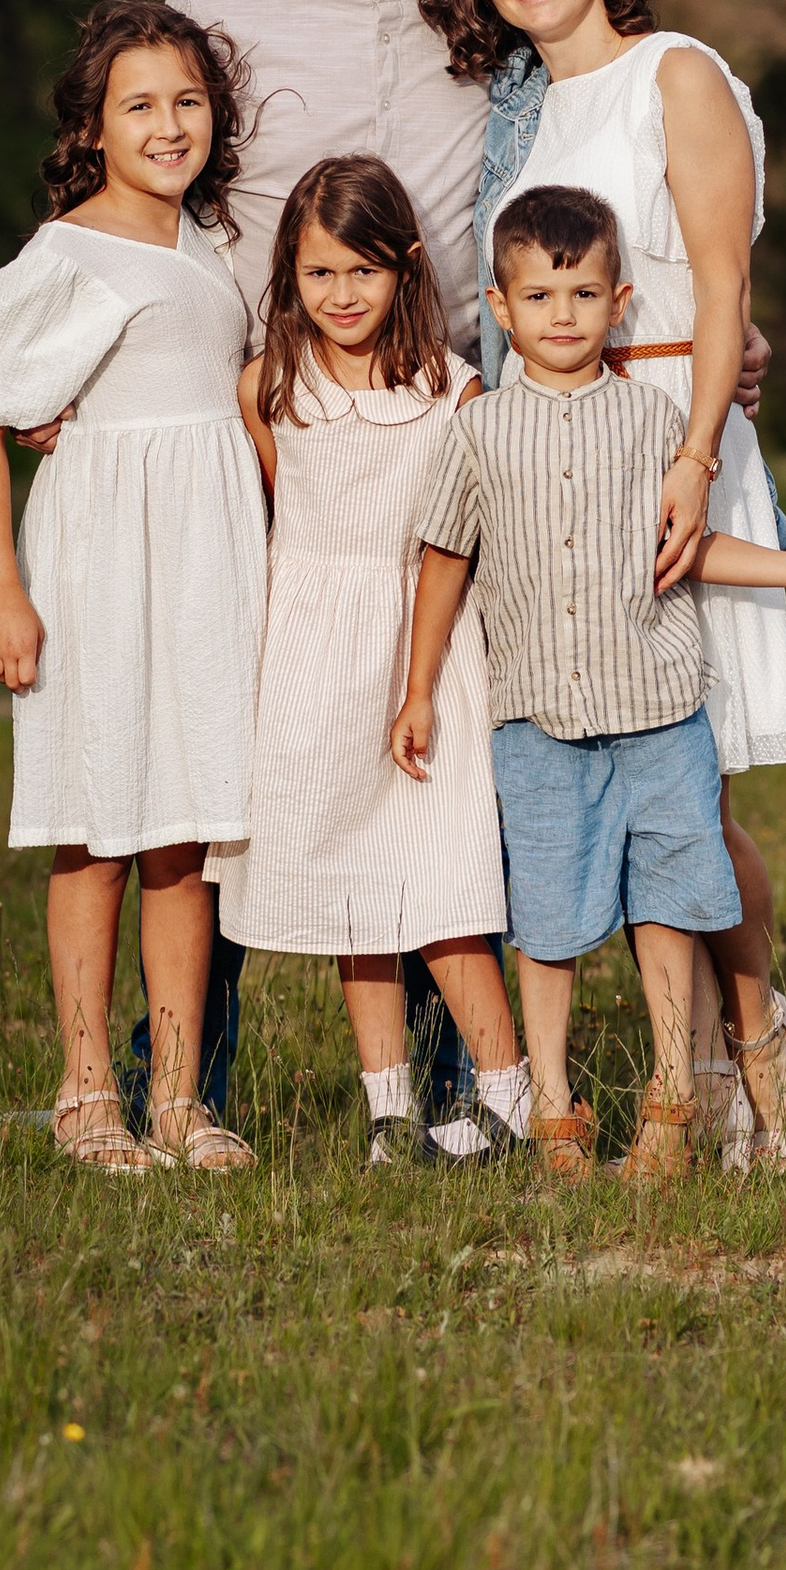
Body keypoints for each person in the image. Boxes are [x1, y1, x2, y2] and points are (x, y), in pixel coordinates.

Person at [429, 0, 786, 1165]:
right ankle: (691, 1069)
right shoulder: (523, 115)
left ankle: (762, 1047)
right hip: (552, 468)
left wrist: (696, 454)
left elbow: (722, 287)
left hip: (668, 450)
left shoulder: (678, 76)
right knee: (613, 787)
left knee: (690, 794)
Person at [392, 181, 786, 1178]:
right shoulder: (480, 430)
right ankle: (556, 1117)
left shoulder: (652, 418)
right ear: (499, 309)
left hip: (660, 714)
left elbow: (692, 550)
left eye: (582, 294)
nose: (562, 316)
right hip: (538, 722)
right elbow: (444, 559)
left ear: (618, 301)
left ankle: (670, 1104)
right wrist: (416, 690)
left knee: (668, 902)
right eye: (539, 297)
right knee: (548, 917)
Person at [0, 0, 264, 1175]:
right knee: (94, 836)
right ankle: (87, 1091)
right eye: (140, 105)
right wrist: (0, 590)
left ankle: (176, 1098)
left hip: (206, 565)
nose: (169, 125)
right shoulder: (63, 254)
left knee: (185, 838)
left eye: (188, 101)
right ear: (92, 124)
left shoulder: (212, 244)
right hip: (101, 566)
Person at [218, 155, 530, 1167]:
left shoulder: (458, 392)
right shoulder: (270, 386)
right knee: (356, 889)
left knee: (442, 889)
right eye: (317, 276)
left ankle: (509, 1094)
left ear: (403, 268)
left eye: (361, 272)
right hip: (312, 659)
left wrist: (423, 681)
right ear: (290, 278)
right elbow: (274, 514)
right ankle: (390, 1114)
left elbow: (470, 538)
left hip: (428, 658)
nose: (340, 296)